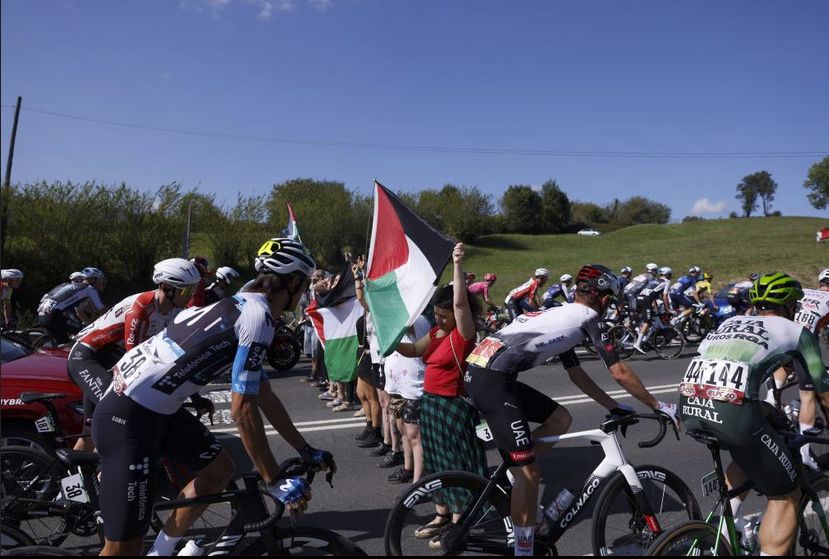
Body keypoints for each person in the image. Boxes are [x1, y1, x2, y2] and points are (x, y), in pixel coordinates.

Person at [91, 238, 334, 556]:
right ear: (292, 282)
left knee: (219, 470)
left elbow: (263, 393)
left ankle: (162, 551)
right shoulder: (257, 318)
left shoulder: (244, 304)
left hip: (156, 411)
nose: (304, 293)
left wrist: (305, 448)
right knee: (122, 550)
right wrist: (273, 479)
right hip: (126, 416)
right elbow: (242, 411)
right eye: (303, 284)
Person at [465, 264, 678, 556]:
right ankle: (524, 550)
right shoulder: (589, 317)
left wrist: (614, 406)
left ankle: (514, 468)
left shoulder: (563, 314)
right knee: (530, 474)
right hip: (491, 381)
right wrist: (658, 405)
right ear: (601, 297)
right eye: (608, 300)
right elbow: (619, 372)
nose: (608, 306)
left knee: (560, 418)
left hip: (485, 373)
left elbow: (576, 375)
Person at [679, 272, 829, 555]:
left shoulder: (731, 322)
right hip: (733, 414)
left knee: (754, 444)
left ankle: (722, 530)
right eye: (795, 305)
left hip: (688, 406)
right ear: (787, 306)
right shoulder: (798, 332)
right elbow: (822, 391)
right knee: (786, 494)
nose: (797, 310)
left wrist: (767, 410)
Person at [395, 243, 487, 540]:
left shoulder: (464, 334)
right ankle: (442, 514)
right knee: (436, 462)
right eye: (435, 314)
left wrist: (457, 264)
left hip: (454, 407)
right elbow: (411, 350)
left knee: (456, 463)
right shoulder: (436, 333)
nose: (439, 319)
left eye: (443, 315)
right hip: (431, 405)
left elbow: (460, 304)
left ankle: (460, 522)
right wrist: (391, 339)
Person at [67, 258, 202, 451]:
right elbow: (137, 359)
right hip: (88, 357)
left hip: (110, 360)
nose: (190, 297)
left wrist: (195, 397)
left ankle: (72, 478)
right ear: (166, 288)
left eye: (193, 290)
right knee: (119, 415)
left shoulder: (174, 312)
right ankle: (106, 472)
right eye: (186, 291)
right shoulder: (142, 307)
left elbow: (176, 357)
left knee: (90, 431)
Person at [763, 268, 829, 470]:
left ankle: (771, 408)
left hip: (778, 334)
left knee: (780, 380)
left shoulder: (805, 292)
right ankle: (805, 454)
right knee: (809, 394)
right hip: (802, 340)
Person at [37, 267, 107, 344]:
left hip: (42, 314)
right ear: (93, 279)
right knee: (81, 332)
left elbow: (78, 311)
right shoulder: (90, 290)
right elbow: (103, 310)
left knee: (61, 341)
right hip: (54, 316)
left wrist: (89, 324)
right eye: (100, 280)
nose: (101, 283)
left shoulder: (70, 286)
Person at [633, 267, 673, 354]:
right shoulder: (666, 282)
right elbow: (665, 297)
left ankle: (639, 332)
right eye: (670, 275)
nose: (671, 277)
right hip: (646, 301)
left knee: (650, 319)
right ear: (667, 275)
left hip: (639, 299)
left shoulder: (654, 280)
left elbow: (653, 296)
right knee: (647, 322)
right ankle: (638, 344)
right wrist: (668, 310)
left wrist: (657, 310)